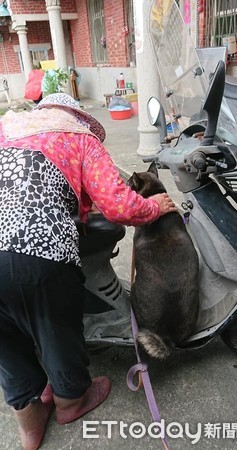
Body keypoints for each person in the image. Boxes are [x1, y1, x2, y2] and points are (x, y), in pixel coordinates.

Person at [0, 93, 177, 450]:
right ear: (77, 117)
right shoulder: (80, 137)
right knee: (56, 326)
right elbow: (117, 204)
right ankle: (70, 401)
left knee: (5, 340)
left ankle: (29, 416)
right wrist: (153, 207)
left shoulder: (6, 129)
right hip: (41, 250)